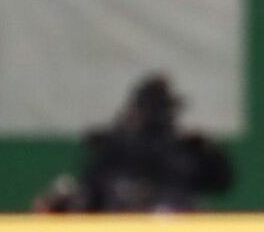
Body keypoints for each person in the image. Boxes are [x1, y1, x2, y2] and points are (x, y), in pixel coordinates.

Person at [79, 74, 233, 212]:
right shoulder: (116, 149)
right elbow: (92, 193)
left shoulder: (185, 151)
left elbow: (220, 182)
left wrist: (210, 153)